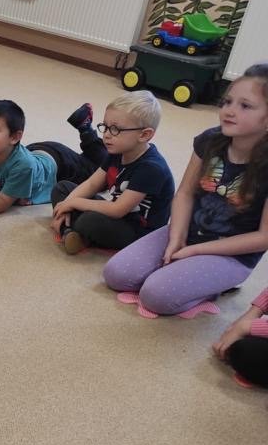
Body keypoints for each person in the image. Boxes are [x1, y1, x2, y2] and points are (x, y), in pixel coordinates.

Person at [103, 69, 268, 316]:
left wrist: (195, 250)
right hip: (189, 231)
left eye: (245, 106)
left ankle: (215, 288)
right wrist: (177, 236)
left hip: (232, 254)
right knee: (117, 274)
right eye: (227, 102)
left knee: (155, 296)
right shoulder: (210, 140)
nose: (229, 111)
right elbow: (185, 194)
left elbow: (264, 237)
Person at [51, 91, 175, 254]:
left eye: (115, 129)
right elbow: (92, 184)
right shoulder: (117, 151)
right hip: (113, 210)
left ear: (144, 135)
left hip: (137, 229)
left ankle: (72, 230)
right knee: (62, 188)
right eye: (105, 127)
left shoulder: (152, 168)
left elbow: (118, 209)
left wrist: (74, 204)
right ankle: (71, 231)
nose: (106, 135)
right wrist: (66, 205)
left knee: (89, 221)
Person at [0, 99, 97, 218]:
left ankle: (86, 130)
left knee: (100, 169)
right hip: (33, 152)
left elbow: (2, 202)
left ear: (14, 137)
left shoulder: (24, 165)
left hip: (62, 165)